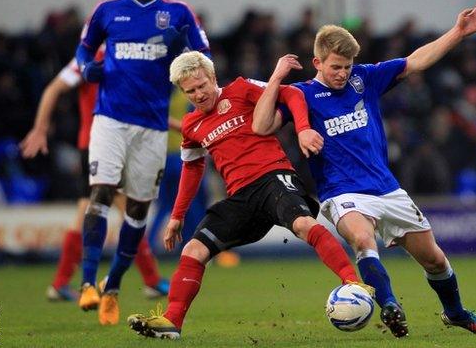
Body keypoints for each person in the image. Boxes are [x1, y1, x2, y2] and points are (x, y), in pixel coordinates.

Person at [253, 4, 476, 337]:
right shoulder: (301, 95)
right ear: (317, 63)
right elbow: (262, 126)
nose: (342, 73)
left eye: (347, 66)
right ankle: (390, 306)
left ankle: (455, 313)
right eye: (336, 67)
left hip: (386, 188)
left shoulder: (363, 78)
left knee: (435, 260)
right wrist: (277, 79)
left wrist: (457, 32)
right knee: (363, 240)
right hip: (341, 191)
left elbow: (415, 61)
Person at [126, 51, 370, 340]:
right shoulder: (191, 126)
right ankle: (172, 321)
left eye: (202, 85)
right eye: (190, 91)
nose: (199, 94)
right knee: (193, 250)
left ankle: (354, 284)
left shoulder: (241, 88)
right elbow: (192, 169)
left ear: (213, 78)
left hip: (273, 178)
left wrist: (303, 129)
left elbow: (291, 94)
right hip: (241, 198)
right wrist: (177, 217)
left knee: (304, 224)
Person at [75, 0, 211, 325]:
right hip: (109, 120)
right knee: (101, 193)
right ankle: (88, 284)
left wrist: (190, 70)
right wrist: (86, 67)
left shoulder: (178, 14)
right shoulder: (107, 10)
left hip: (152, 127)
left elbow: (204, 56)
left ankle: (114, 287)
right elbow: (84, 49)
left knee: (138, 211)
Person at [19, 48, 170, 302]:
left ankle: (59, 283)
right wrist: (40, 128)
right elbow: (53, 89)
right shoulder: (102, 55)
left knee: (85, 210)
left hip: (95, 143)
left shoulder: (112, 53)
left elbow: (54, 88)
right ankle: (151, 280)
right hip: (106, 143)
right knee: (130, 210)